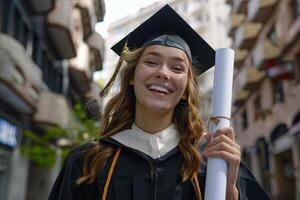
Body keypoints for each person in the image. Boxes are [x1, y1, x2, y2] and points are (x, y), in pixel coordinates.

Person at [48, 5, 270, 200]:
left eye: (177, 68)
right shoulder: (88, 161)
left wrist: (230, 191)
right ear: (132, 78)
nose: (163, 73)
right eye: (152, 62)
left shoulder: (212, 160)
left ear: (185, 90)